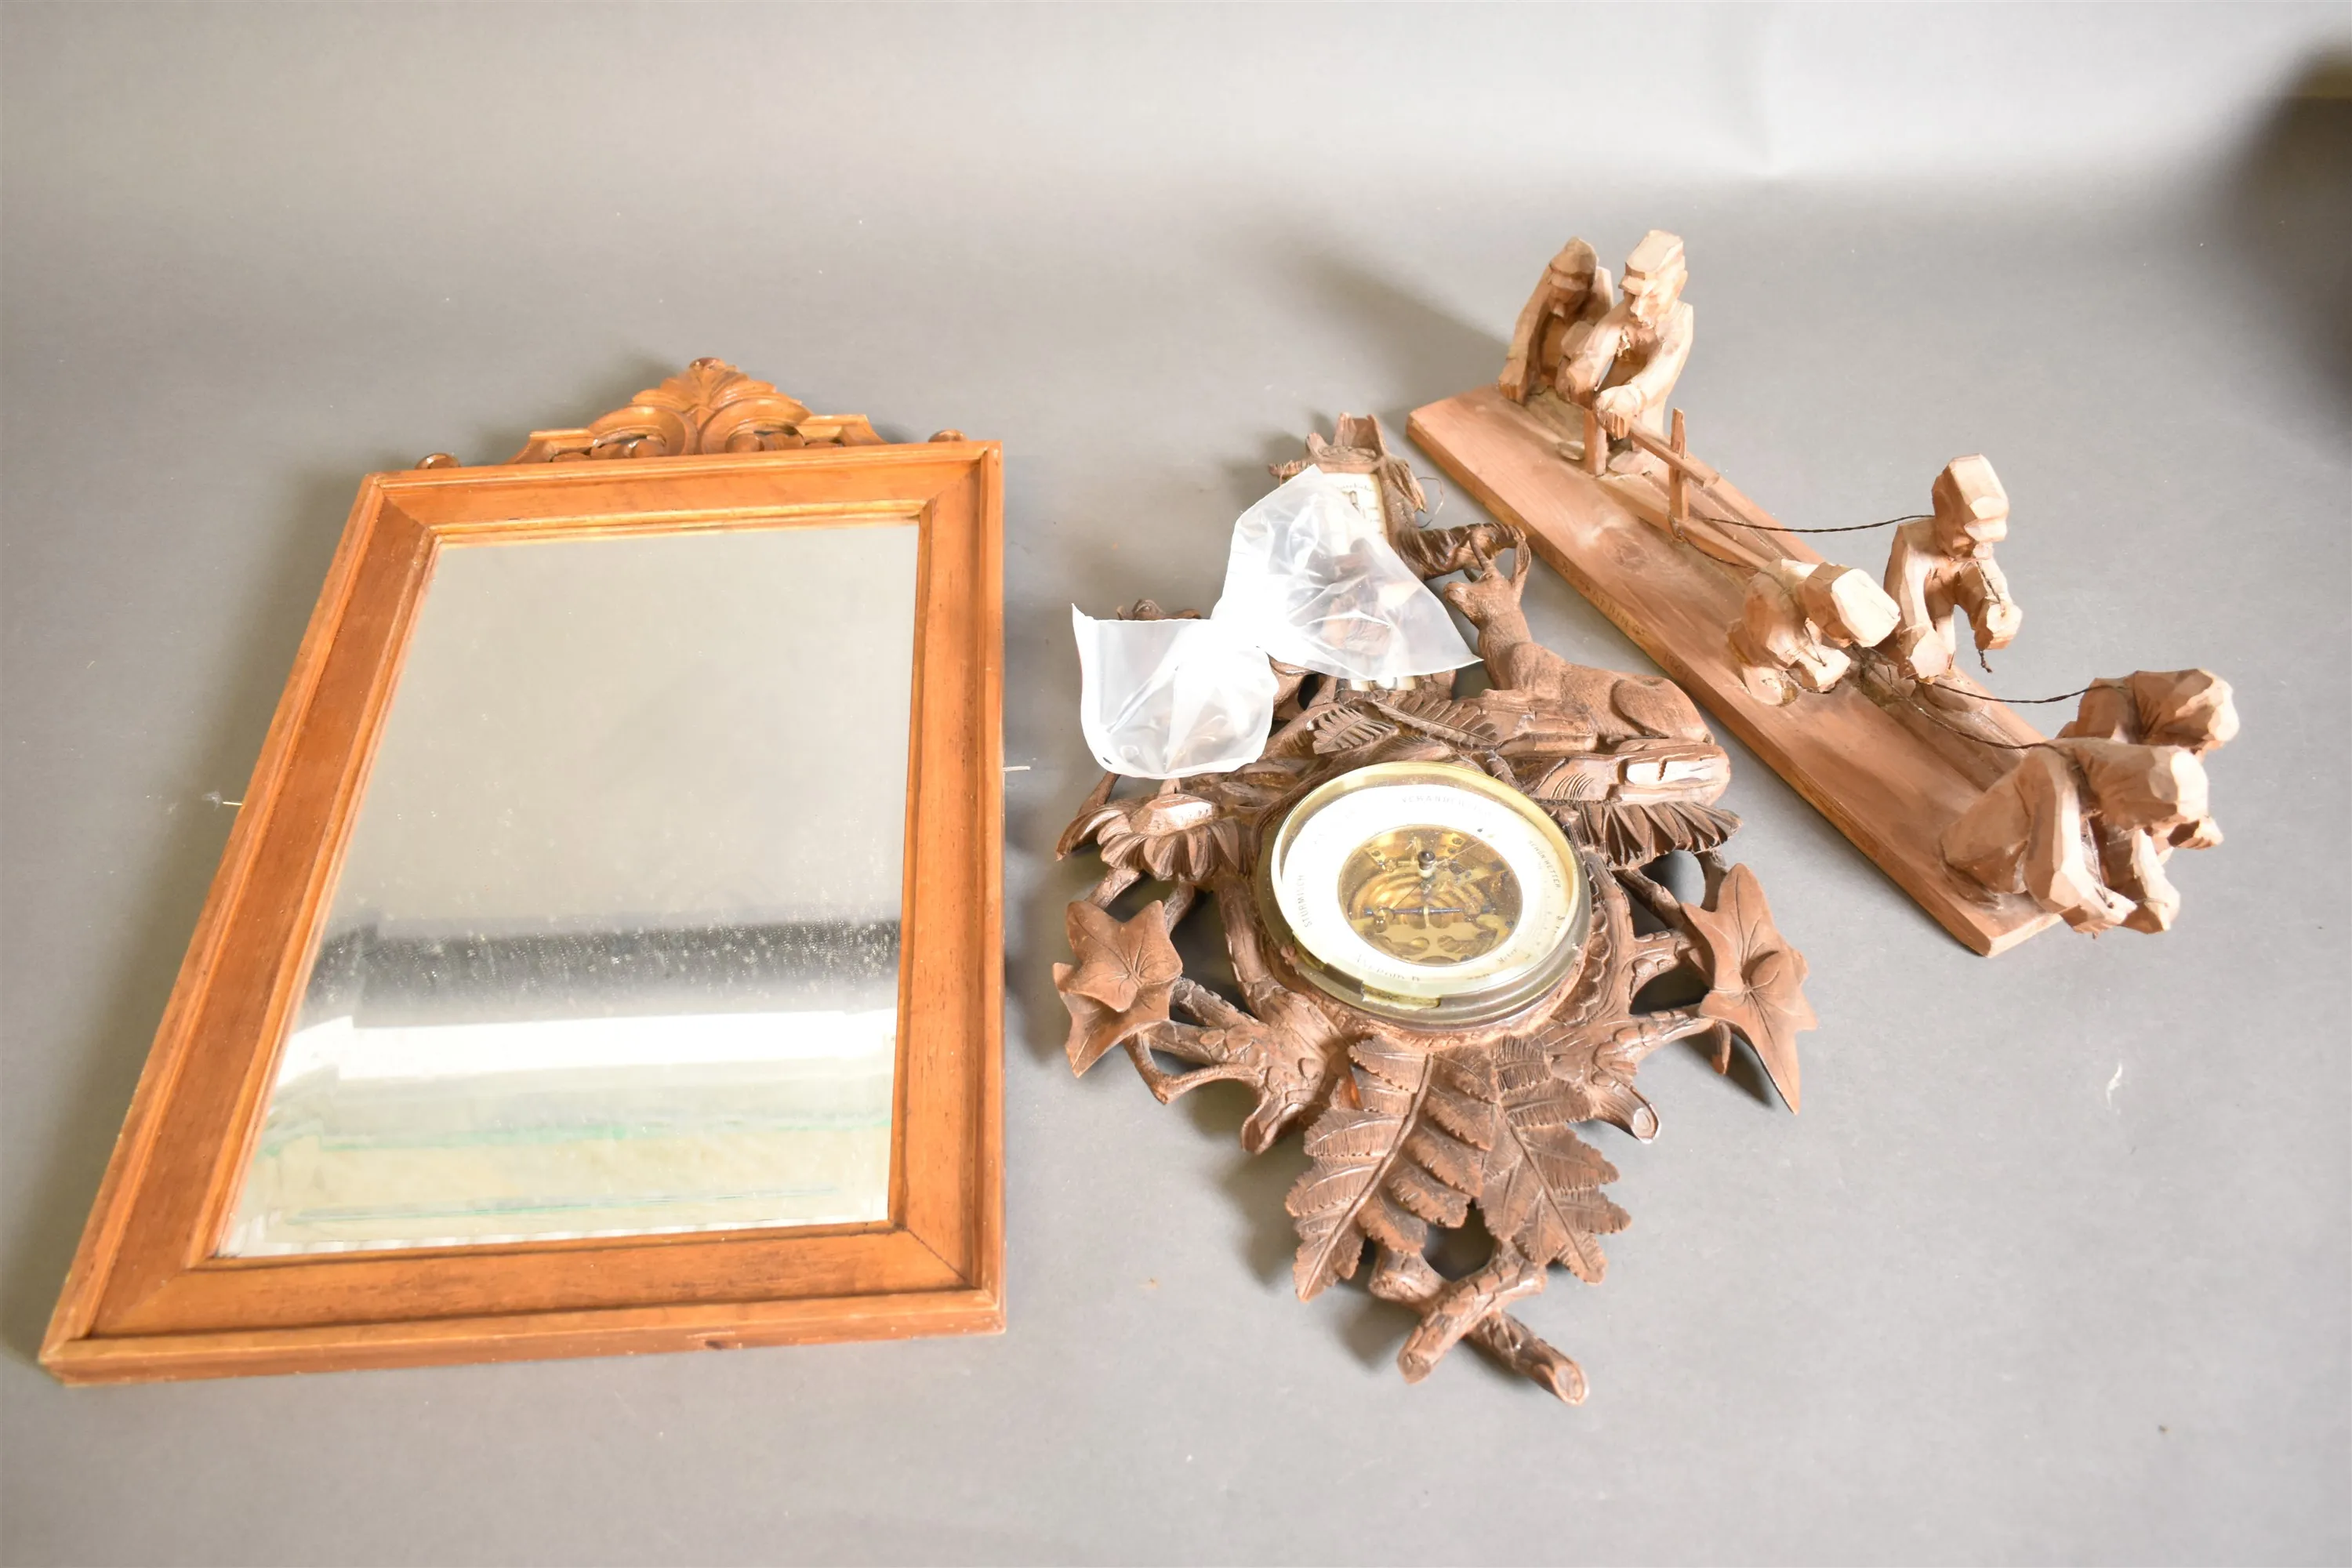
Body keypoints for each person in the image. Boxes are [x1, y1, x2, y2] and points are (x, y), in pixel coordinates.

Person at [1561, 230, 1694, 470]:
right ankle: (1598, 446)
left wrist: (1634, 396)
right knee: (1602, 401)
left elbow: (1665, 368)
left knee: (1644, 417)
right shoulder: (1626, 309)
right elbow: (1604, 336)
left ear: (1678, 285)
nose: (1636, 309)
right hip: (1621, 370)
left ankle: (1644, 454)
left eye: (1651, 297)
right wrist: (1585, 369)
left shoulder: (1679, 321)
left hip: (1645, 384)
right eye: (1631, 295)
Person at [1882, 455, 2022, 681]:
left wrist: (1996, 608)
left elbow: (1984, 582)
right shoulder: (1913, 541)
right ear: (1944, 511)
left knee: (1944, 651)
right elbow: (1904, 592)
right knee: (1897, 657)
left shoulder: (1976, 551)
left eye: (1987, 542)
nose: (1978, 550)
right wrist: (1916, 632)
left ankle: (1925, 683)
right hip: (1901, 635)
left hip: (1939, 627)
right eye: (1967, 538)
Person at [1498, 239, 1613, 405]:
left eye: (1569, 303)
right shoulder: (1553, 274)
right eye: (1556, 299)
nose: (1559, 310)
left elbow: (1599, 340)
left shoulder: (1600, 289)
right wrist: (1517, 361)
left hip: (1574, 356)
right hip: (1543, 369)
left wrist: (1570, 364)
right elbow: (1531, 316)